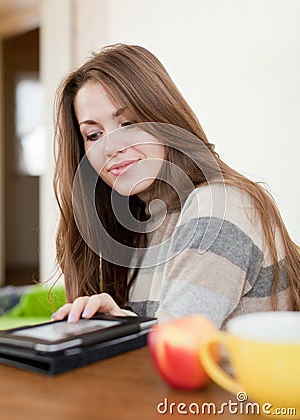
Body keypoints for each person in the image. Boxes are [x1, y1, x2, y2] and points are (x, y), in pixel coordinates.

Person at [52, 43, 300, 328]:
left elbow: (174, 345)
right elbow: (168, 336)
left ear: (164, 117)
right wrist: (118, 322)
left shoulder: (219, 207)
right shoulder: (143, 224)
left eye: (128, 123)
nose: (110, 148)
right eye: (94, 135)